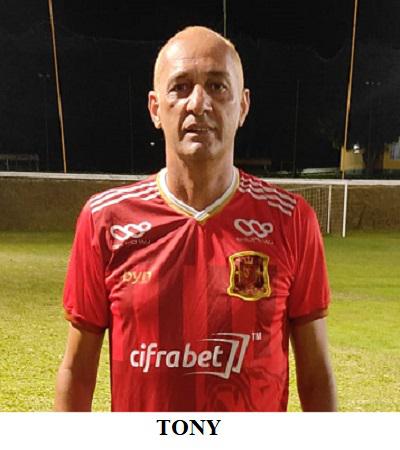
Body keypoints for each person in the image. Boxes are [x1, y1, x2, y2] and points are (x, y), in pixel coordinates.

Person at [55, 26, 337, 412]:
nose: (198, 103)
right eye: (181, 87)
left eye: (217, 87)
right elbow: (77, 371)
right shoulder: (105, 220)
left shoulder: (290, 220)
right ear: (155, 108)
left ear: (243, 106)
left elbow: (316, 374)